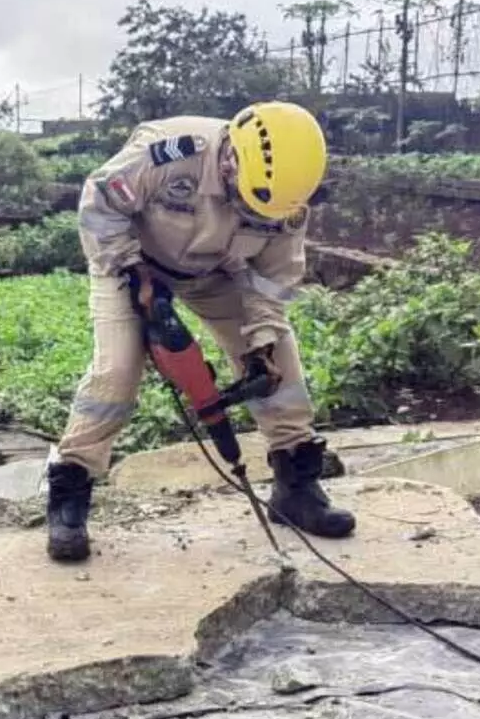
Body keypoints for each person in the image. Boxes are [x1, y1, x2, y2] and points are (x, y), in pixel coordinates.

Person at [44, 101, 354, 562]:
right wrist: (134, 274)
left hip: (216, 273)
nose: (250, 213)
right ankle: (70, 487)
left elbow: (271, 281)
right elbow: (100, 204)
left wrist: (261, 344)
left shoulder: (287, 202)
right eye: (245, 199)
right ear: (232, 159)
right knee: (117, 373)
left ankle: (297, 484)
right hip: (131, 262)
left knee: (279, 366)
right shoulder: (168, 156)